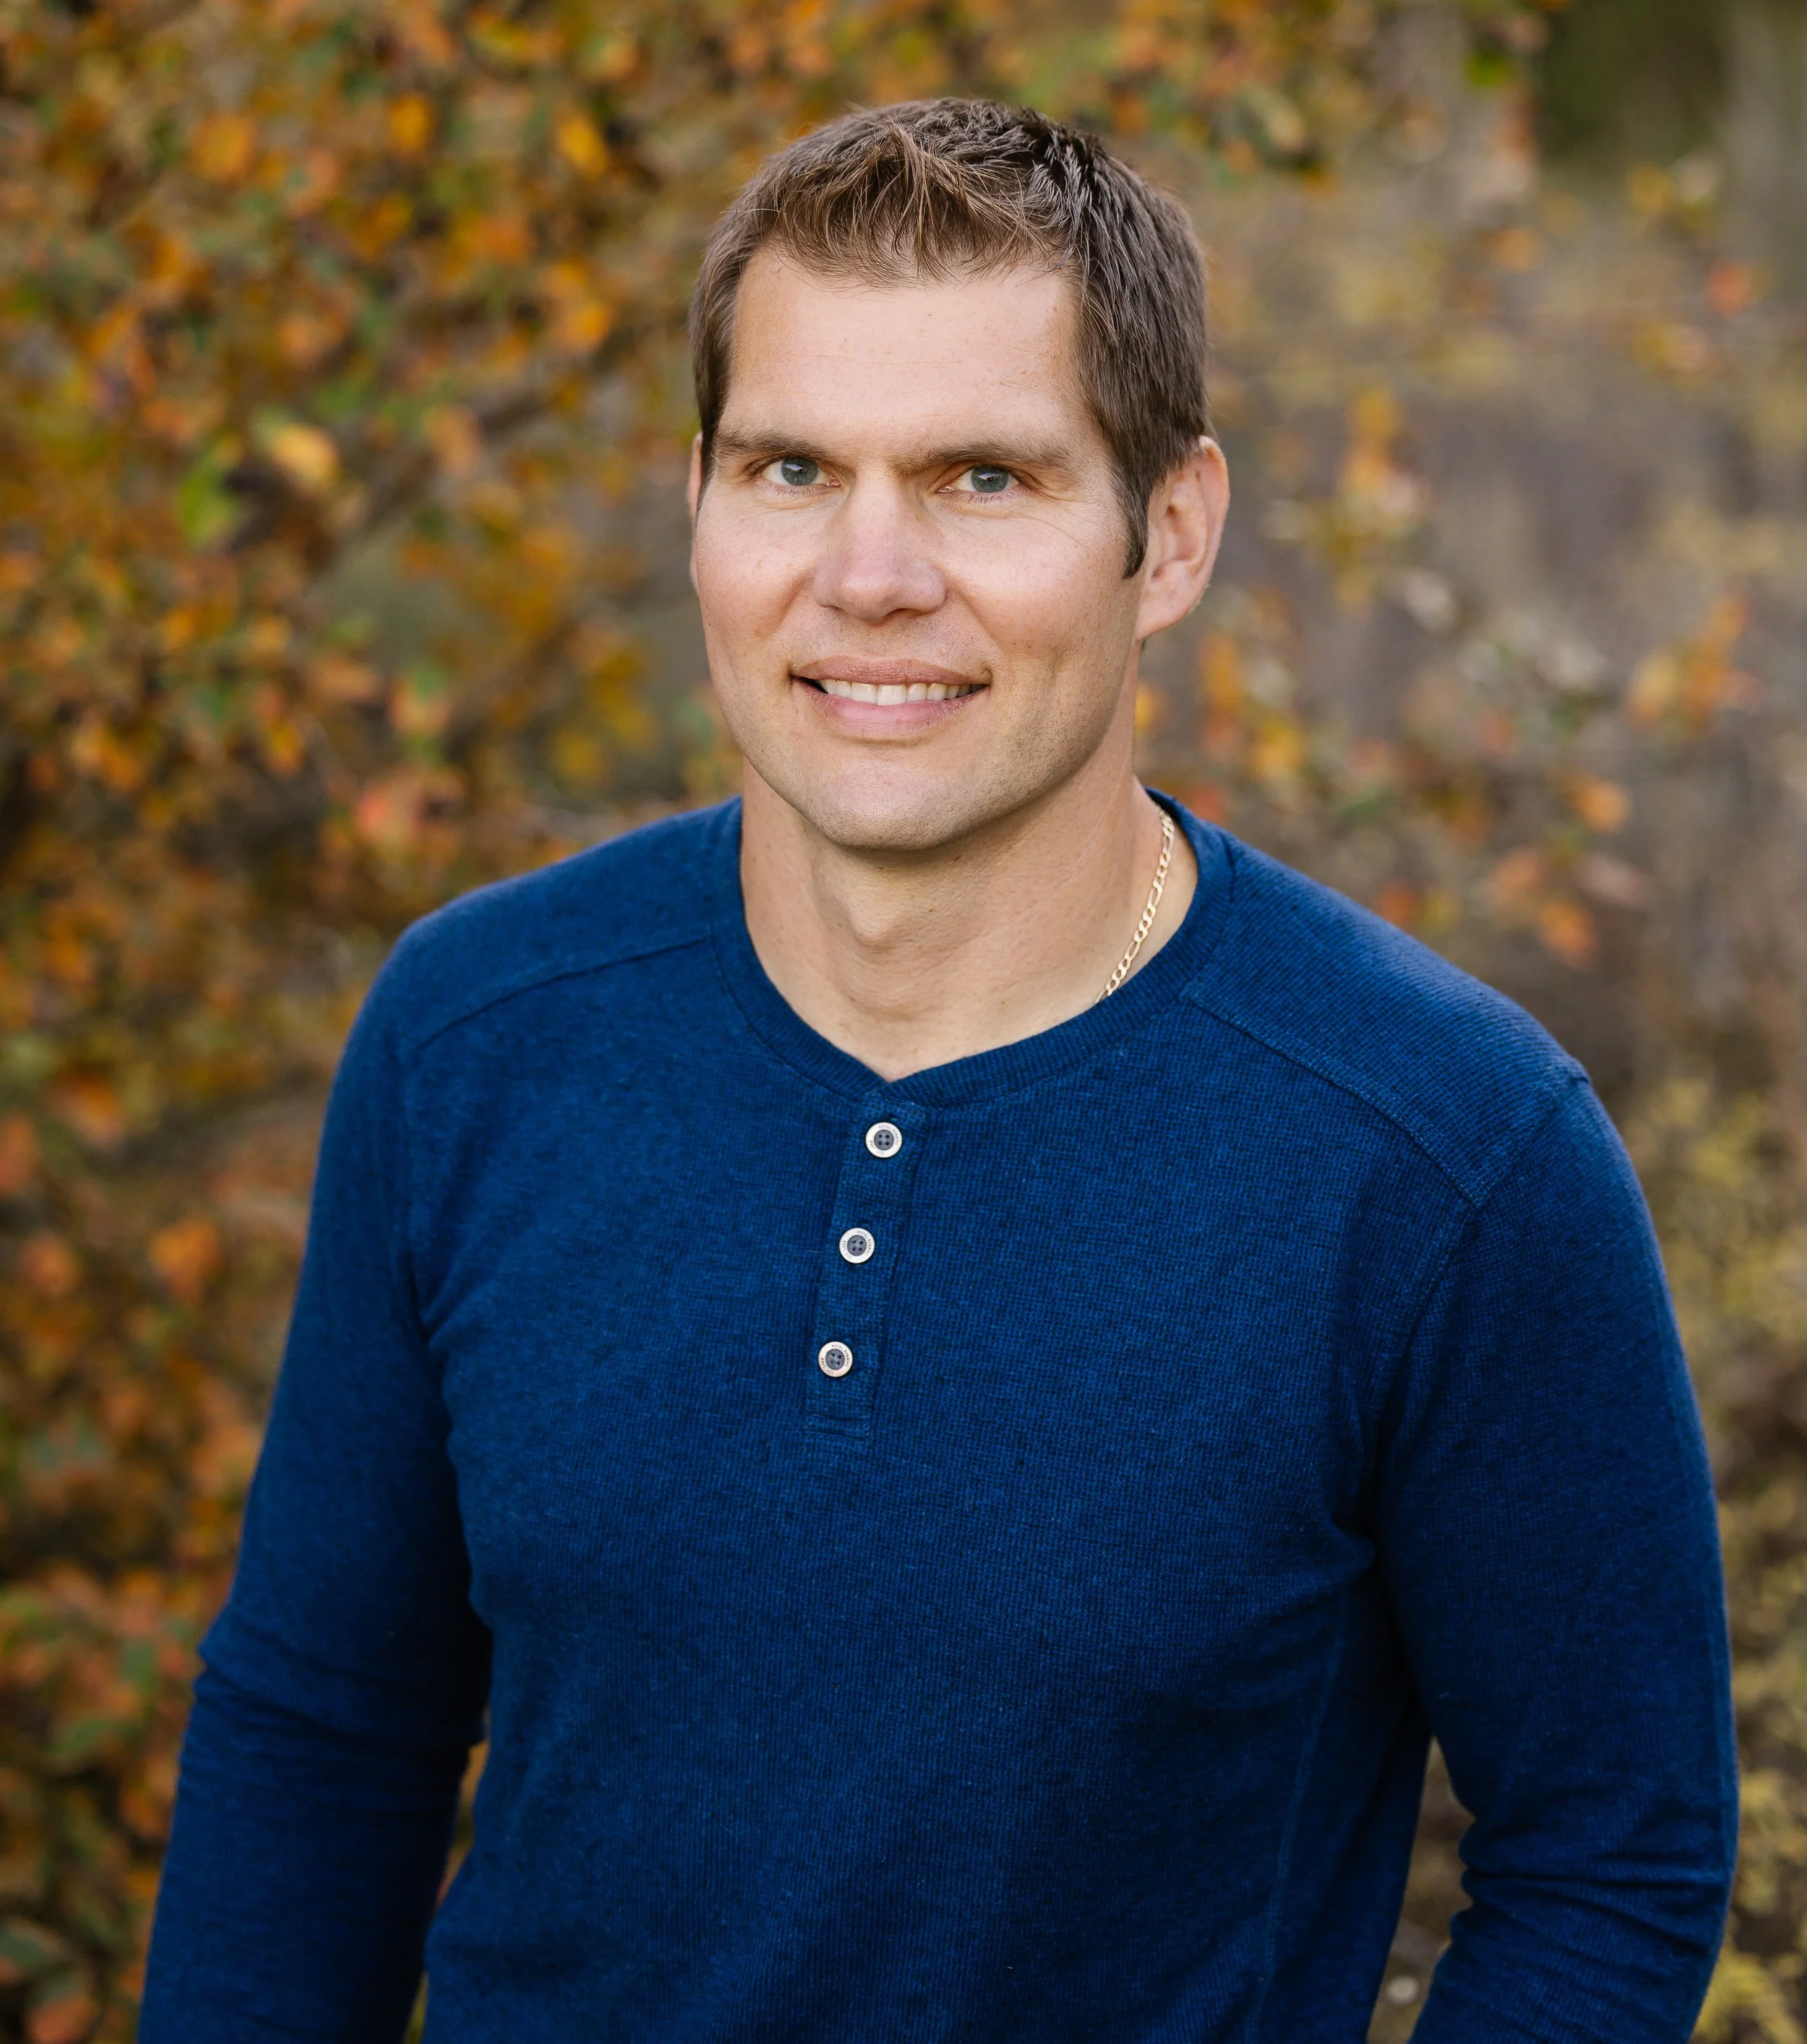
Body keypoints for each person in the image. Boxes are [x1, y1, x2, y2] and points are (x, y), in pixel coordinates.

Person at [142, 100, 1735, 2043]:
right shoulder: (476, 1033)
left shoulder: (1443, 1155)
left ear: (1167, 533)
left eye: (982, 476)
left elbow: (1608, 1858)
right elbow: (326, 1729)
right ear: (700, 501)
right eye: (791, 464)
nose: (868, 572)